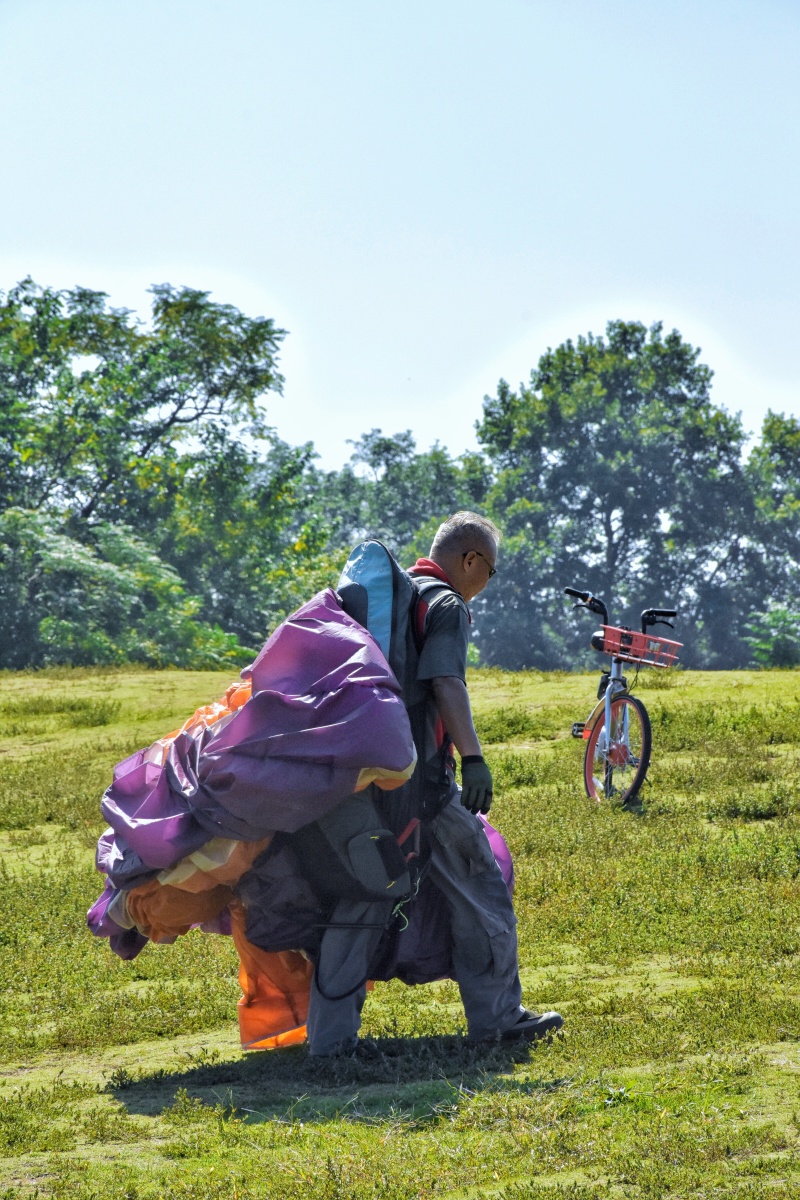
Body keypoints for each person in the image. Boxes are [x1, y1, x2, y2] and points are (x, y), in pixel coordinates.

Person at [306, 511, 563, 1055]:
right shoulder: (444, 604)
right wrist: (473, 759)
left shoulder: (389, 603)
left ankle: (330, 1043)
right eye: (489, 572)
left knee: (365, 898)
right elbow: (445, 681)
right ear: (470, 560)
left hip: (365, 780)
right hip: (423, 784)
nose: (485, 585)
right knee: (481, 886)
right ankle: (499, 1018)